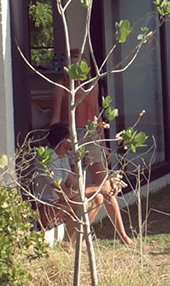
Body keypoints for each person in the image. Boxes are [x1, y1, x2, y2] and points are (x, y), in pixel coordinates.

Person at [46, 78, 130, 243]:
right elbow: (56, 115)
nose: (76, 65)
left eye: (80, 60)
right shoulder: (61, 85)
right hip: (69, 134)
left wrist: (103, 144)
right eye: (73, 61)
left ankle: (122, 234)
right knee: (75, 185)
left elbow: (97, 113)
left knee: (105, 184)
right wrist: (54, 140)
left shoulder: (93, 84)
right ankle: (77, 240)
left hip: (90, 133)